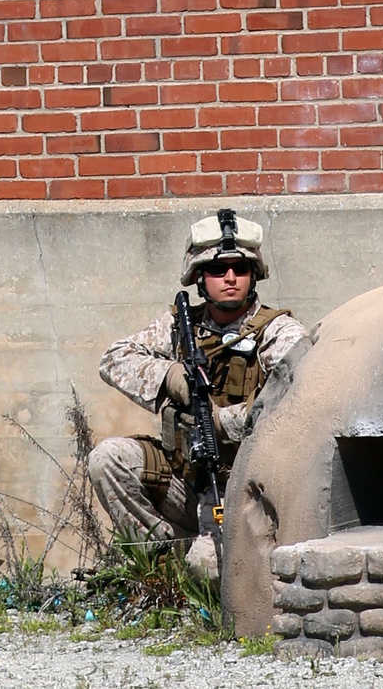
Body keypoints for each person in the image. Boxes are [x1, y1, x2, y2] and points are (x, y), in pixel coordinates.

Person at [88, 209, 308, 578]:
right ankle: (161, 564)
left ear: (254, 274)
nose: (230, 278)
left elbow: (295, 399)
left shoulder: (277, 332)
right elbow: (114, 359)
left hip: (244, 486)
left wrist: (224, 422)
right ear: (197, 277)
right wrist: (171, 375)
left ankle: (197, 561)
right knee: (108, 459)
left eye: (240, 268)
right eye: (217, 270)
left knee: (207, 569)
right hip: (185, 479)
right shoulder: (181, 326)